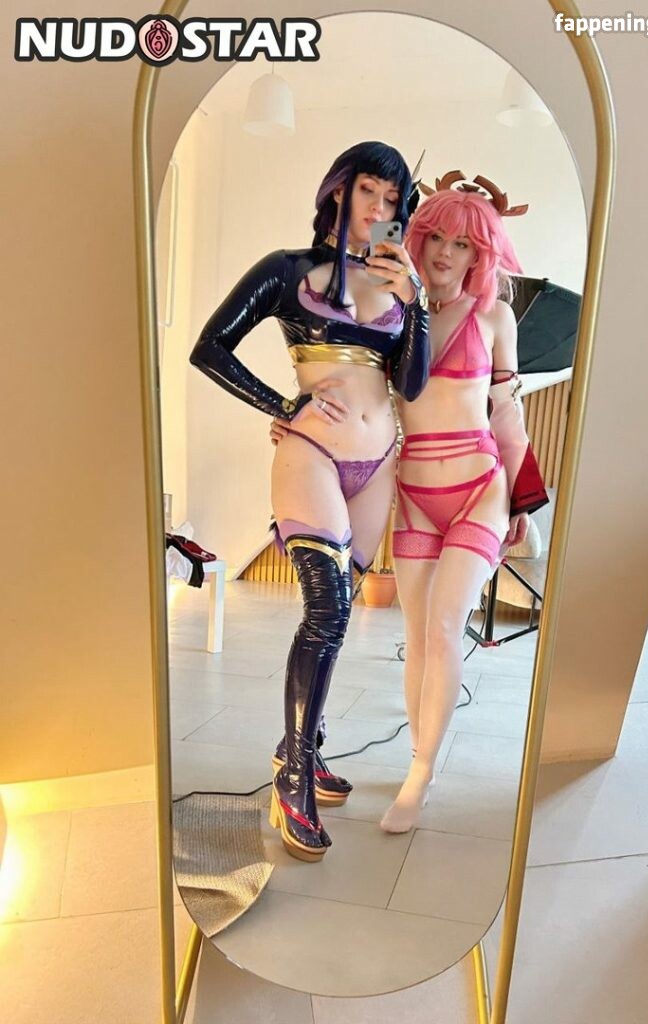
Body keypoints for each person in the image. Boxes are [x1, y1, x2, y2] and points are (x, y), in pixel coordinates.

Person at [190, 141, 430, 861]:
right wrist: (283, 404)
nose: (378, 208)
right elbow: (210, 347)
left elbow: (410, 384)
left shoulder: (397, 283)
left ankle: (304, 742)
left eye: (392, 200)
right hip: (312, 455)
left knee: (340, 607)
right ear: (339, 190)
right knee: (326, 610)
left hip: (377, 463)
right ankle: (293, 775)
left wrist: (415, 304)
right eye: (368, 191)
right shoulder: (286, 270)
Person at [379, 175, 548, 834]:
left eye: (463, 245)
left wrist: (523, 500)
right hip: (414, 492)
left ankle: (420, 773)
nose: (446, 254)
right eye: (437, 239)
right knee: (419, 632)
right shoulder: (391, 315)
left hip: (479, 487)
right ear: (417, 240)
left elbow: (506, 413)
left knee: (447, 625)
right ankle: (416, 760)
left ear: (481, 255)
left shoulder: (493, 317)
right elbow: (358, 394)